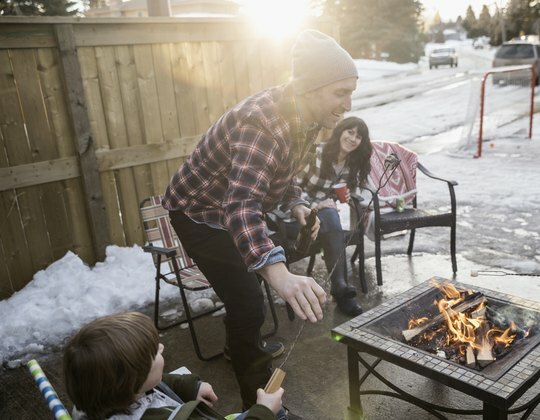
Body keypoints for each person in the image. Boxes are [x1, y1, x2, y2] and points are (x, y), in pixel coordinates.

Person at [161, 29, 358, 411]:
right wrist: (279, 274)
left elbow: (282, 175)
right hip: (198, 213)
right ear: (310, 87)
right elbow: (241, 205)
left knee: (249, 291)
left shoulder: (307, 116)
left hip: (229, 208)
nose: (348, 103)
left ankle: (240, 340)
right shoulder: (261, 123)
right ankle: (263, 406)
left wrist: (298, 203)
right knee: (249, 299)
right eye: (340, 92)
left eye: (352, 90)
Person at [63, 312, 283, 420]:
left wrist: (190, 387)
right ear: (134, 380)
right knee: (276, 410)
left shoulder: (103, 395)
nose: (161, 348)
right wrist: (264, 411)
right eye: (153, 354)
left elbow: (155, 382)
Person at [293, 116, 372, 316]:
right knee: (329, 214)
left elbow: (346, 192)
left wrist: (347, 196)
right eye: (350, 132)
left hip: (324, 218)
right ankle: (340, 288)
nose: (353, 139)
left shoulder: (350, 164)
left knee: (330, 215)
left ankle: (340, 287)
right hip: (296, 212)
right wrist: (314, 205)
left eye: (359, 136)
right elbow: (290, 187)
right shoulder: (317, 153)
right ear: (340, 132)